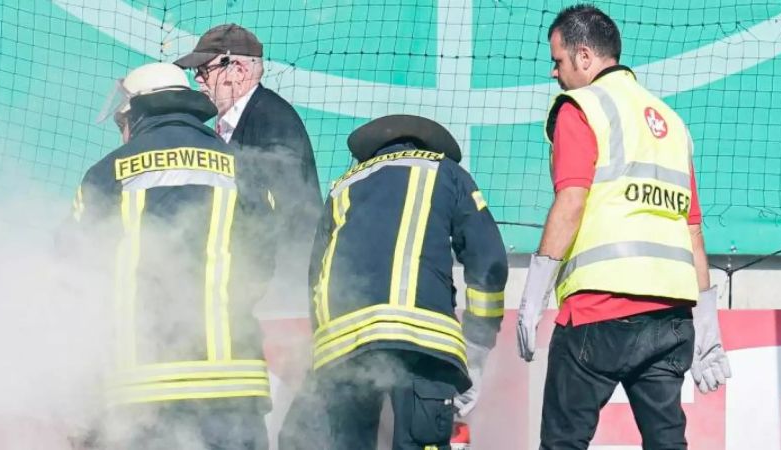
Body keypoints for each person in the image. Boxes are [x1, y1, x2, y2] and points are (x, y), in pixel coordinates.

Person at [516, 5, 732, 449]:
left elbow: (571, 201)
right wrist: (707, 323)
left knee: (563, 443)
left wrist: (533, 293)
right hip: (670, 321)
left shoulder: (582, 108)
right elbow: (692, 231)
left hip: (599, 312)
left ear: (583, 56)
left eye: (557, 61)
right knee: (667, 442)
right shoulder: (672, 124)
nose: (555, 74)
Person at [72, 62, 276, 449]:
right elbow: (264, 258)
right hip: (233, 381)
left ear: (136, 114)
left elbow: (75, 270)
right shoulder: (245, 169)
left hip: (139, 387)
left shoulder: (105, 174)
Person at [306, 115, 508, 449]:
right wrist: (478, 347)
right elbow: (488, 262)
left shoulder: (342, 185)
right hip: (421, 341)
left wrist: (324, 345)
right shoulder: (445, 171)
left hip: (341, 349)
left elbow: (315, 276)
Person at [174, 23, 322, 260]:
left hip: (275, 275)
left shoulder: (272, 120)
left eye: (204, 70)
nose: (198, 80)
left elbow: (292, 211)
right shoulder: (235, 116)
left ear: (239, 71)